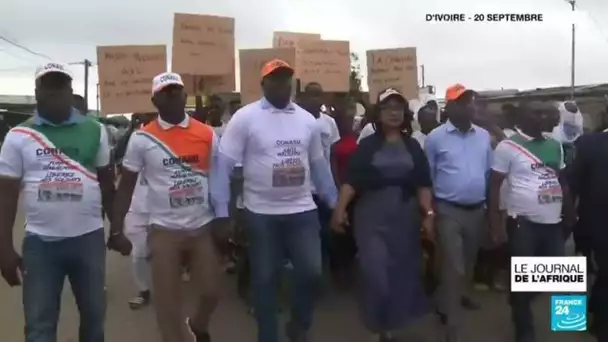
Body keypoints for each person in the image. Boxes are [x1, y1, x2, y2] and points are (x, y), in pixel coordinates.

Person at [0, 62, 129, 342]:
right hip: (40, 245)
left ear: (71, 92)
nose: (57, 94)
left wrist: (117, 230)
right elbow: (6, 195)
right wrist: (3, 247)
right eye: (50, 87)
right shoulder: (17, 136)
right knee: (39, 327)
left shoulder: (95, 130)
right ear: (38, 93)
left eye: (62, 87)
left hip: (88, 240)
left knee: (94, 320)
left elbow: (107, 185)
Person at [214, 59, 337, 342]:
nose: (281, 84)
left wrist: (333, 203)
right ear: (263, 84)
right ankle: (267, 335)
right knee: (265, 280)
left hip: (302, 210)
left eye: (286, 79)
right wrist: (222, 212)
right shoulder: (245, 118)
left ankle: (298, 326)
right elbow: (224, 165)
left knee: (311, 272)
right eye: (274, 79)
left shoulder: (307, 120)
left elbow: (319, 166)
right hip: (261, 213)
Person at [112, 72, 223, 342]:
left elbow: (219, 179)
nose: (173, 96)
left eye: (177, 91)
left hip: (201, 227)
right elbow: (126, 186)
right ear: (155, 99)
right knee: (167, 302)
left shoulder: (206, 133)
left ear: (185, 96)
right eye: (166, 92)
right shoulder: (142, 139)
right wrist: (117, 229)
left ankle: (197, 324)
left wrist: (224, 217)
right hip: (163, 230)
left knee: (211, 292)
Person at [331, 88, 433, 342]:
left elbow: (423, 183)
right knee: (375, 272)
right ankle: (375, 323)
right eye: (389, 108)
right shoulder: (366, 146)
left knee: (401, 273)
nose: (394, 113)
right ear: (379, 113)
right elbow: (351, 181)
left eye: (399, 108)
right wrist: (340, 209)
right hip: (371, 216)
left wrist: (428, 214)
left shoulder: (413, 147)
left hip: (404, 217)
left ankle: (387, 327)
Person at [489, 101, 575, 342]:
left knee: (561, 278)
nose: (543, 117)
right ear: (523, 117)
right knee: (526, 280)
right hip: (522, 223)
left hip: (554, 222)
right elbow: (495, 185)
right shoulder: (508, 147)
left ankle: (568, 324)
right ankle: (524, 331)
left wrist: (570, 213)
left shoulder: (555, 145)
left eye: (546, 112)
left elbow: (562, 182)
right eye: (536, 112)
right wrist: (495, 222)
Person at [424, 84, 492, 342]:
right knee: (455, 268)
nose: (469, 106)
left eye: (470, 101)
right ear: (449, 107)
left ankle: (443, 302)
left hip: (476, 210)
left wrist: (487, 210)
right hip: (447, 209)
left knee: (467, 265)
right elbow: (428, 178)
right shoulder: (435, 138)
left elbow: (487, 174)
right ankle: (454, 329)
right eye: (462, 102)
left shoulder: (484, 136)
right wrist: (429, 213)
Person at [299, 82, 340, 278]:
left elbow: (332, 156)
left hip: (324, 189)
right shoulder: (298, 121)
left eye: (318, 95)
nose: (315, 99)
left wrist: (335, 185)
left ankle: (322, 274)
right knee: (304, 235)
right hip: (303, 189)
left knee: (325, 233)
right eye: (311, 95)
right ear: (304, 98)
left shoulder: (329, 123)